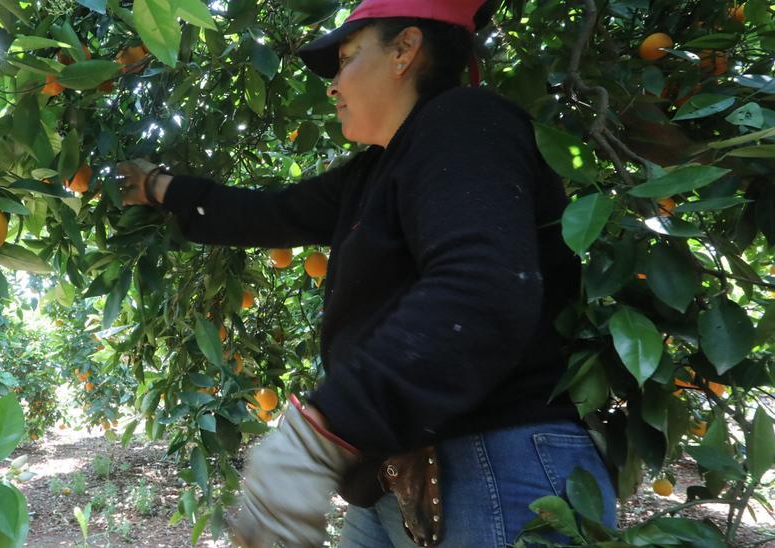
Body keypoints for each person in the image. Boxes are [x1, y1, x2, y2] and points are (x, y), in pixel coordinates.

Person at [116, 0, 617, 545]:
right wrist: (158, 186)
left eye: (348, 58)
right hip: (393, 474)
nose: (333, 86)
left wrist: (323, 432)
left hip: (494, 458)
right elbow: (268, 213)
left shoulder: (467, 122)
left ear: (405, 50)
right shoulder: (374, 172)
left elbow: (481, 290)